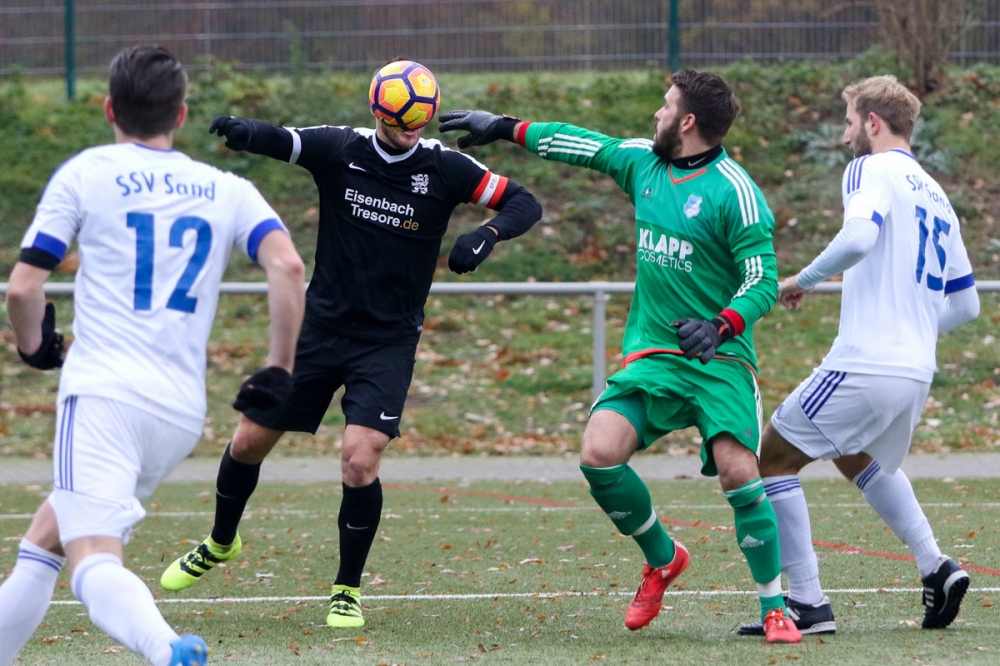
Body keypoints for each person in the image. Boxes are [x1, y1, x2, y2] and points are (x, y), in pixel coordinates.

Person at [159, 59, 542, 629]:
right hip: (319, 330)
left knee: (360, 461)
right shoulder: (342, 149)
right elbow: (285, 140)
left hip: (386, 340)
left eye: (419, 122)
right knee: (245, 442)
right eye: (398, 122)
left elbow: (523, 203)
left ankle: (346, 588)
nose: (409, 130)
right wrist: (244, 132)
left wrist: (487, 234)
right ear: (377, 110)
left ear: (430, 115)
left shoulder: (447, 168)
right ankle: (220, 542)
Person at [439, 70, 802, 643]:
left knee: (738, 470)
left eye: (665, 106)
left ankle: (775, 606)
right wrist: (505, 127)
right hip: (654, 353)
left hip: (720, 360)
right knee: (599, 454)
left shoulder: (736, 192)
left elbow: (763, 281)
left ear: (687, 121)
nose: (656, 115)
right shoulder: (644, 162)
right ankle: (663, 559)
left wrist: (720, 325)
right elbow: (583, 144)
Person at [0, 45, 305, 666]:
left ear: (109, 107)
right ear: (183, 114)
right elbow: (288, 265)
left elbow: (24, 287)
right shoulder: (226, 189)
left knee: (92, 559)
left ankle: (166, 649)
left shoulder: (87, 172)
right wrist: (278, 368)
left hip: (105, 394)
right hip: (176, 412)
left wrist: (36, 347)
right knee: (46, 538)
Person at [735, 75, 980, 637]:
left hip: (869, 362)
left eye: (849, 122)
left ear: (872, 122)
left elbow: (857, 238)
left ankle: (808, 603)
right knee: (850, 453)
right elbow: (964, 305)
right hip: (914, 371)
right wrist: (912, 334)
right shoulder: (937, 194)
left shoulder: (869, 168)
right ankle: (935, 565)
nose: (845, 135)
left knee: (771, 457)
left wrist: (803, 279)